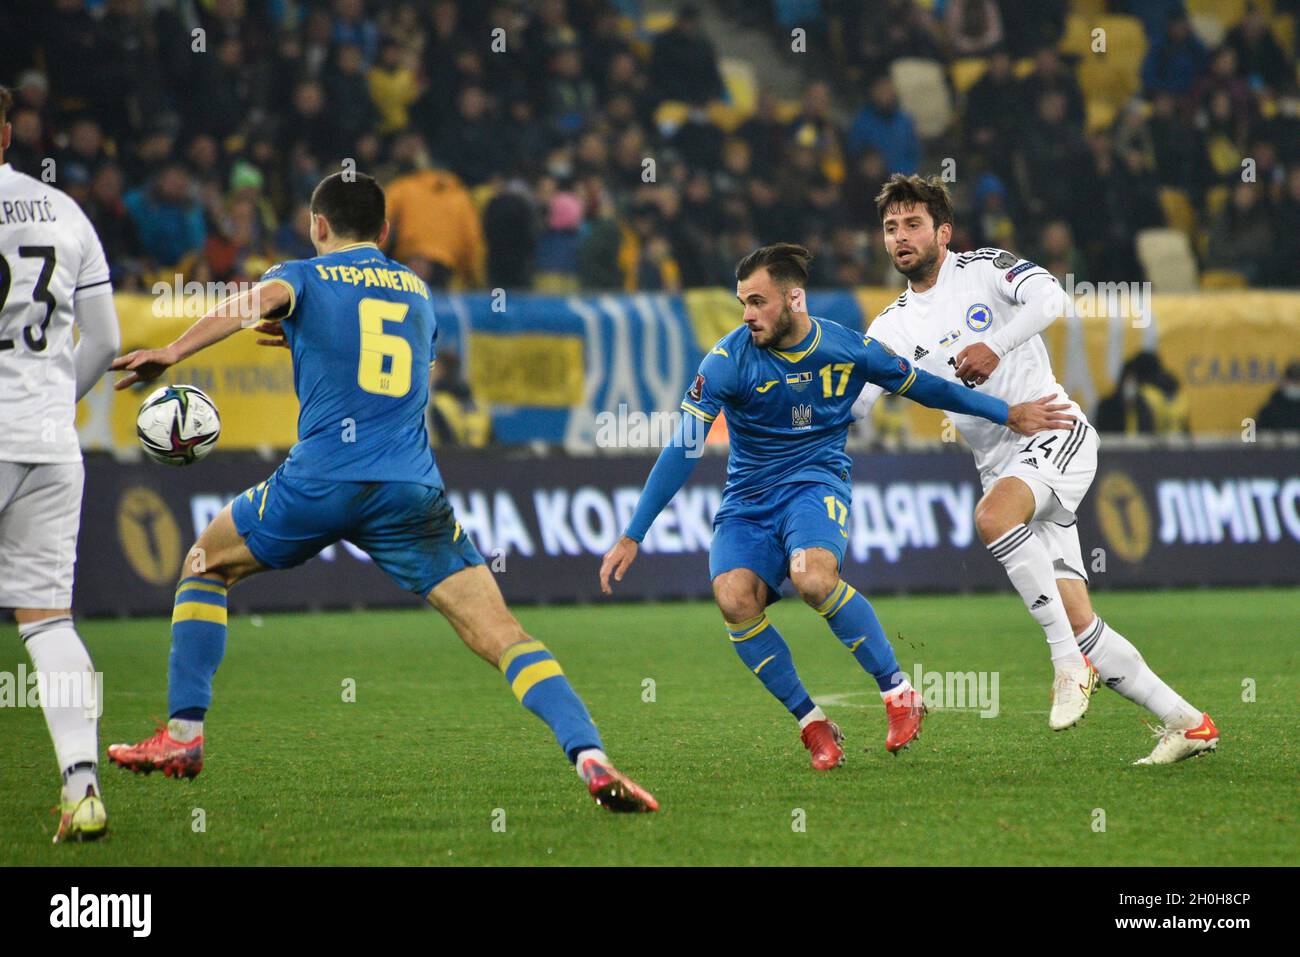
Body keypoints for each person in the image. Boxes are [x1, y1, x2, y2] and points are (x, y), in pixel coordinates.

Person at [106, 172, 657, 813]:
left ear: (317, 225)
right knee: (505, 636)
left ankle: (182, 737)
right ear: (386, 231)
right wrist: (309, 339)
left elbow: (247, 305)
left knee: (205, 564)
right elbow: (387, 364)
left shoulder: (303, 274)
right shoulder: (418, 291)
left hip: (319, 482)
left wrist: (172, 352)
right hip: (410, 491)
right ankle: (590, 755)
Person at [599, 242, 1073, 770]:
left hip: (814, 483)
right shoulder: (727, 361)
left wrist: (1005, 412)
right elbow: (682, 446)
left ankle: (898, 693)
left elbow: (931, 390)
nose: (748, 315)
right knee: (733, 598)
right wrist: (633, 533)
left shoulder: (847, 348)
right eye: (743, 304)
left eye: (758, 302)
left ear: (793, 299)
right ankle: (813, 724)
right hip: (748, 499)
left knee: (813, 577)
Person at [854, 174, 1217, 764]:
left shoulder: (983, 268)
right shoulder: (890, 326)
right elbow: (856, 404)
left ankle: (1066, 666)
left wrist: (995, 345)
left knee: (993, 519)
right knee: (1083, 624)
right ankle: (1188, 722)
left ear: (943, 232)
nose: (900, 236)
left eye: (913, 224)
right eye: (891, 227)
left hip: (1055, 432)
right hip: (1001, 465)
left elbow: (1051, 297)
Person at [0, 85, 122, 841]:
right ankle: (82, 785)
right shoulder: (65, 211)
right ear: (7, 132)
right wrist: (52, 401)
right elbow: (104, 341)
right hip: (49, 440)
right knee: (48, 624)